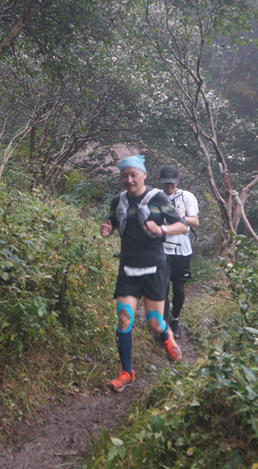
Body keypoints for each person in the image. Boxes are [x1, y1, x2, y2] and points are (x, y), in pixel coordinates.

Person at [100, 155, 189, 392]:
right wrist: (108, 229)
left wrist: (160, 228)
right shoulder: (118, 200)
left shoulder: (157, 198)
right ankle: (127, 372)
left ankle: (165, 335)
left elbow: (182, 225)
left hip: (155, 269)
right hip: (128, 269)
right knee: (123, 317)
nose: (129, 180)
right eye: (124, 176)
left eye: (133, 175)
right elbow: (113, 223)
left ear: (144, 175)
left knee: (153, 323)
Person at [158, 164, 199, 340]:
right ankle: (164, 324)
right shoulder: (154, 197)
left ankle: (175, 319)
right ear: (160, 181)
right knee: (163, 287)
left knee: (179, 288)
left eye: (172, 183)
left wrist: (177, 218)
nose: (169, 186)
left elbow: (195, 221)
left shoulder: (186, 197)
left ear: (178, 181)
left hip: (182, 249)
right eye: (166, 183)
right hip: (161, 248)